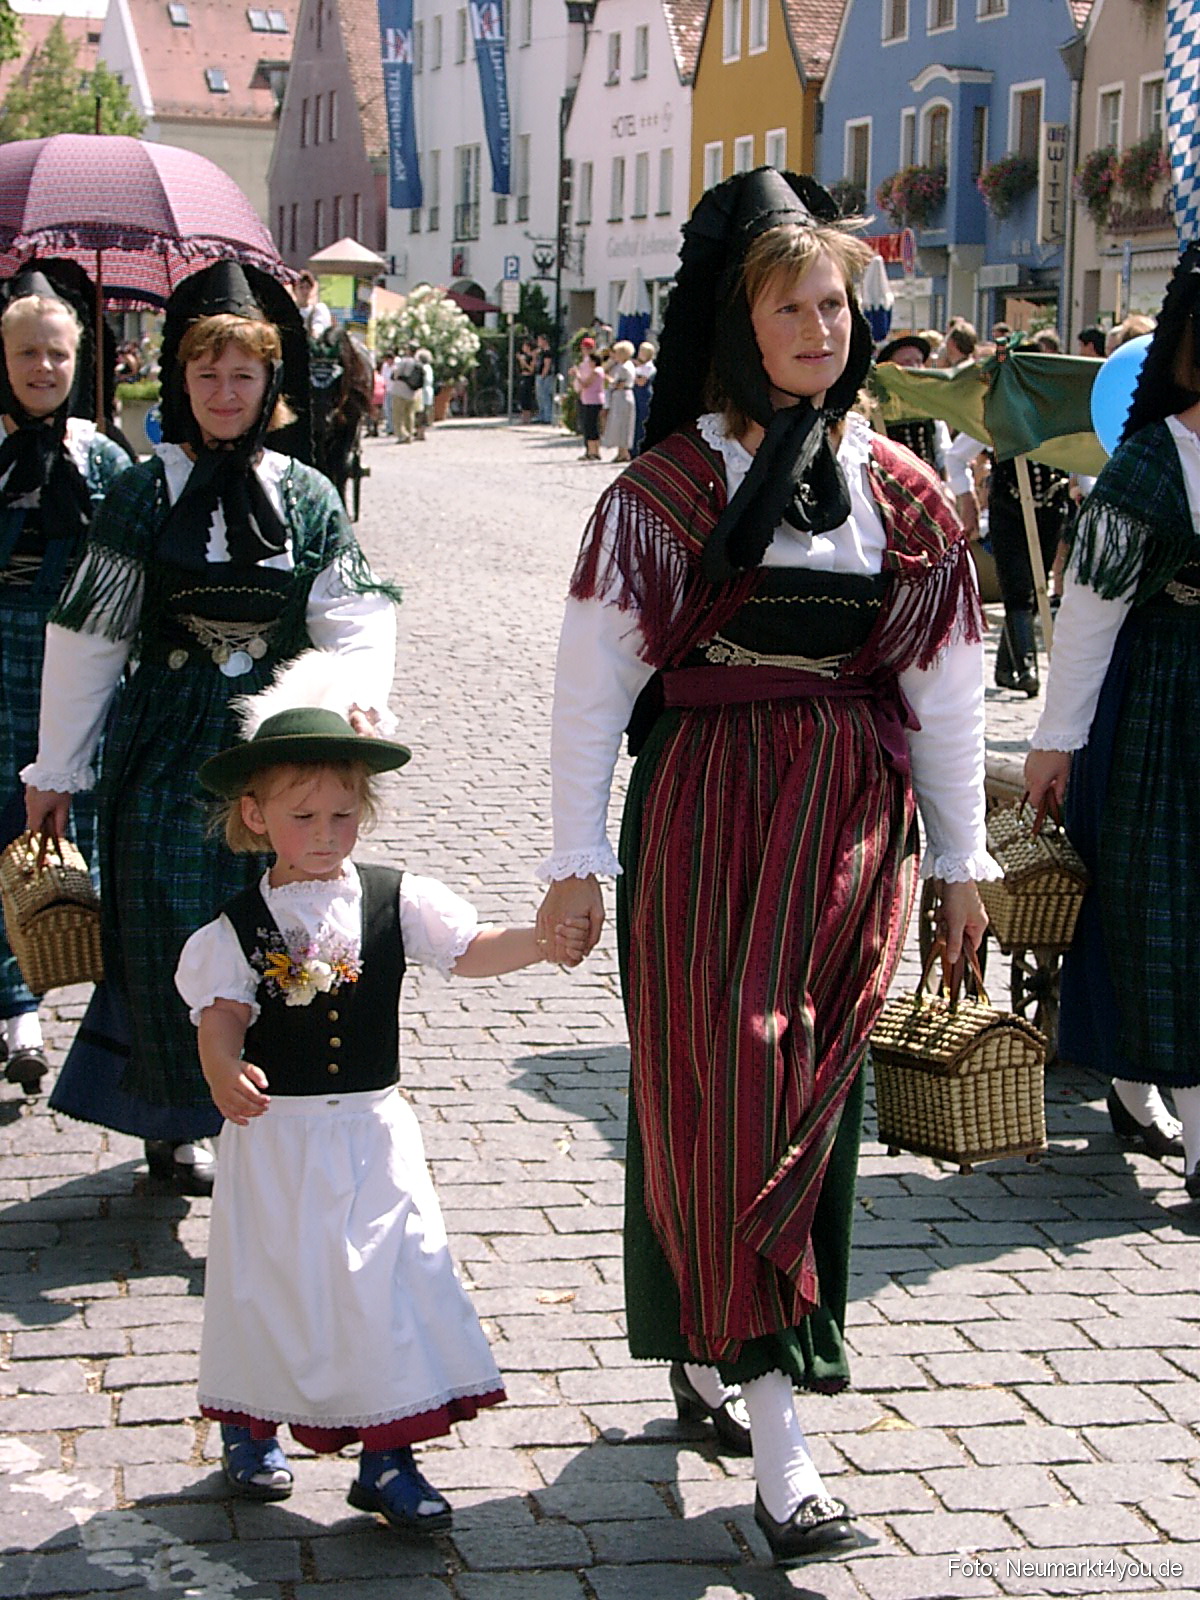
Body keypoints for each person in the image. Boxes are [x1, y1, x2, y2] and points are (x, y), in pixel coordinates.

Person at [536, 168, 994, 1563]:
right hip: (702, 816)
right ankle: (782, 1439)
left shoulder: (902, 494)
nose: (817, 325)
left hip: (849, 829)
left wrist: (965, 860)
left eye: (835, 302)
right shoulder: (664, 491)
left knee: (804, 1106)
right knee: (717, 1085)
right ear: (738, 327)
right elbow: (588, 692)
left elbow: (950, 692)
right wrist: (570, 859)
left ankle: (725, 1354)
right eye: (788, 304)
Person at [174, 652, 587, 1525]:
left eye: (343, 813)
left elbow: (469, 952)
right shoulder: (234, 929)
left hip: (371, 1131)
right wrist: (220, 1066)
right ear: (255, 816)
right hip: (279, 1138)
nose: (326, 831)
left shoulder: (395, 900)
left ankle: (390, 1458)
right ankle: (251, 1426)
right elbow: (219, 1015)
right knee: (271, 1278)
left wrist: (540, 941)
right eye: (303, 815)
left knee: (391, 1279)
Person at [22, 259, 400, 1192]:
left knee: (279, 923)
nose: (224, 393)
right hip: (162, 744)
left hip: (269, 749)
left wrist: (349, 695)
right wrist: (56, 767)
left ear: (269, 383)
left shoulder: (306, 495)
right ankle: (177, 1111)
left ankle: (276, 1102)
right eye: (206, 375)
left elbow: (355, 616)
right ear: (180, 382)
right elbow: (90, 637)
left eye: (243, 376)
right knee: (167, 923)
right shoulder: (143, 495)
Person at [1025, 244, 1200, 1198]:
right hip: (1157, 709)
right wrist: (1056, 741)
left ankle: (1141, 1095)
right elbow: (1089, 617)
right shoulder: (1148, 463)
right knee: (1156, 907)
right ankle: (1155, 1103)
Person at [0, 266, 129, 1090]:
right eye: (25, 354)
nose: (42, 368)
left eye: (56, 354)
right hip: (0, 664)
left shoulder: (106, 459)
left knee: (86, 845)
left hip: (82, 675)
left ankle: (108, 1018)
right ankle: (15, 1013)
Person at [602, 338, 637, 462]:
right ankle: (621, 452)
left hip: (622, 395)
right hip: (622, 396)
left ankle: (623, 453)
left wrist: (608, 379)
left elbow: (619, 384)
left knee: (622, 424)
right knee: (621, 424)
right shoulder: (626, 365)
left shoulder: (624, 367)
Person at [572, 337, 604, 461]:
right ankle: (592, 451)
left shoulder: (595, 370)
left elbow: (586, 382)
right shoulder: (586, 363)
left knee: (591, 426)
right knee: (589, 426)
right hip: (587, 397)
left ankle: (593, 451)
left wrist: (577, 375)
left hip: (592, 399)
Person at [387, 342, 424, 442]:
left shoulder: (404, 361)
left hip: (400, 391)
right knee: (409, 415)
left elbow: (395, 374)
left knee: (398, 415)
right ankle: (410, 433)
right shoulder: (418, 362)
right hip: (412, 392)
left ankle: (402, 435)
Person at [632, 339, 656, 457]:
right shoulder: (640, 365)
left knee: (641, 421)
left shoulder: (648, 367)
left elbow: (641, 382)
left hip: (643, 395)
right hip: (636, 394)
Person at [293, 271, 332, 342]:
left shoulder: (317, 310)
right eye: (301, 287)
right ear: (295, 290)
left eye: (307, 287)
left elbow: (321, 327)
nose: (305, 291)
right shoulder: (290, 311)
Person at [535, 333, 555, 424]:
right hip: (540, 375)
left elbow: (547, 365)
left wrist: (543, 376)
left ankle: (547, 417)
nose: (538, 342)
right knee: (540, 397)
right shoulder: (541, 352)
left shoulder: (548, 352)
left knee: (545, 396)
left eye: (539, 340)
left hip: (545, 376)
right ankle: (542, 415)